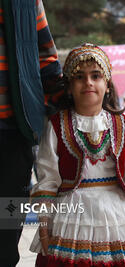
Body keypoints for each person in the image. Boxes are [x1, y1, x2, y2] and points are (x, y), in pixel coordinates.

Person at [29, 43, 125, 266]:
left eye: (96, 76)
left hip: (119, 218)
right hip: (70, 218)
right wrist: (44, 230)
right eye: (79, 77)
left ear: (107, 85)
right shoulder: (57, 126)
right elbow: (47, 181)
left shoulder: (124, 126)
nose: (88, 82)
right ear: (69, 87)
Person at [0, 0, 61, 265]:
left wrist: (68, 103)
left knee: (7, 225)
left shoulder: (27, 2)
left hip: (15, 133)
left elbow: (46, 57)